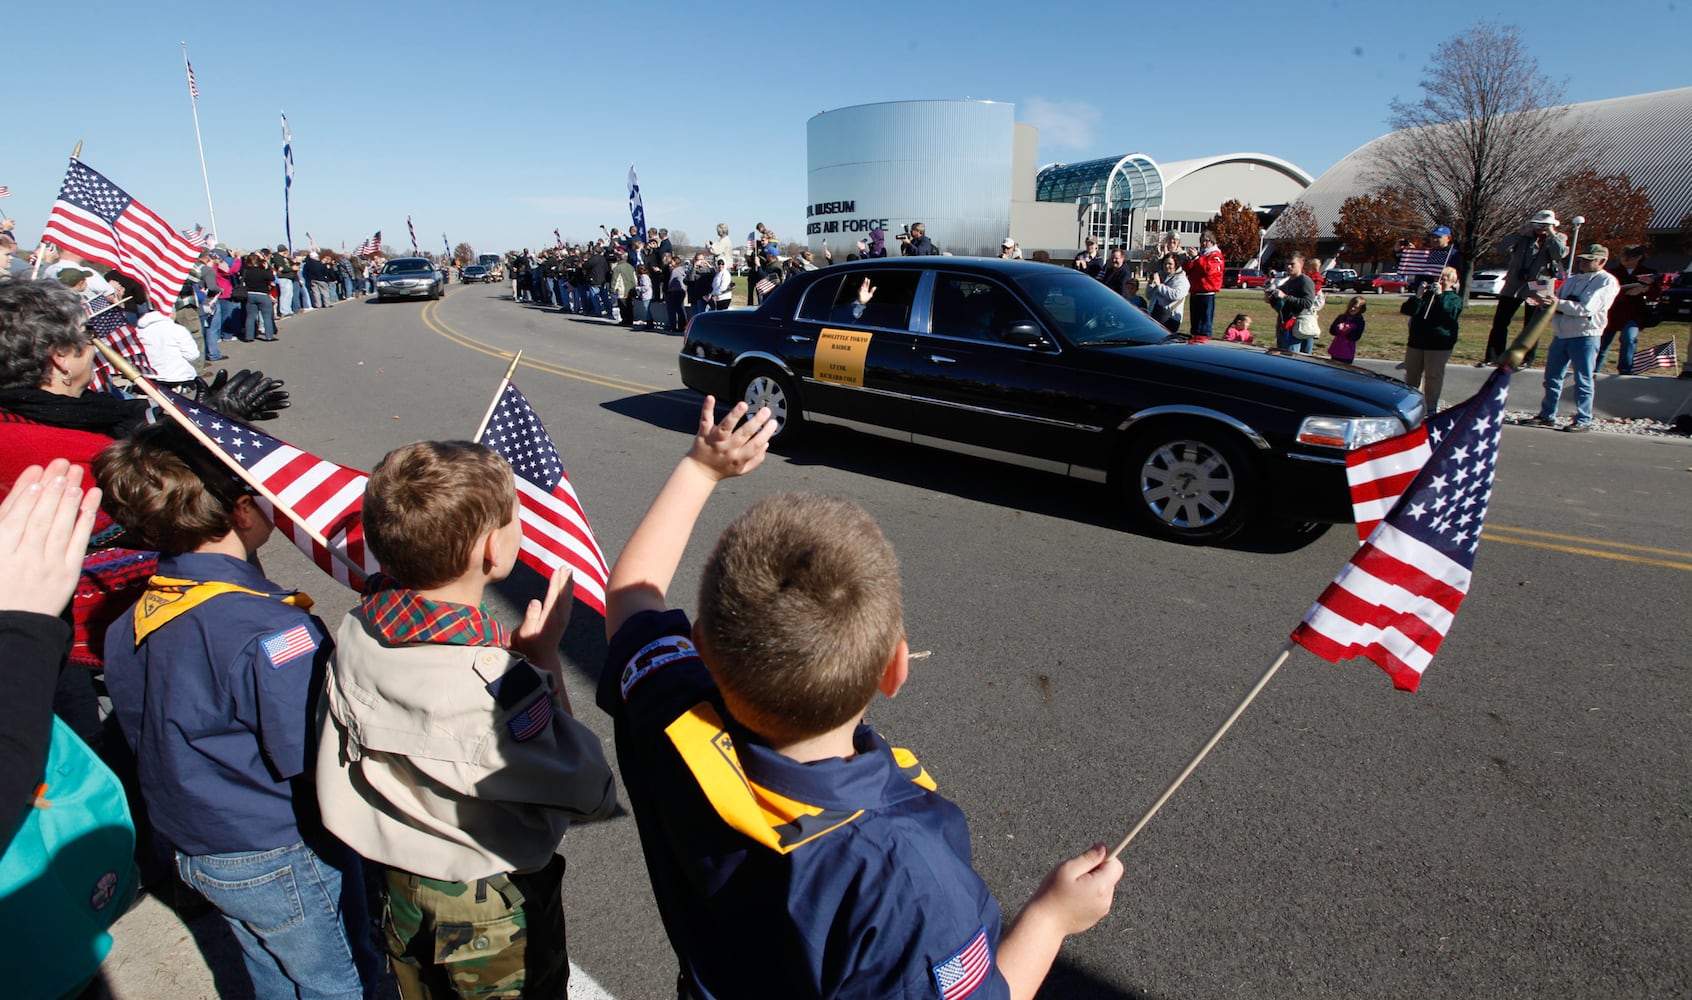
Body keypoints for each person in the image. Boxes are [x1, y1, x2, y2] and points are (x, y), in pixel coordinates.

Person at [597, 396, 1124, 999]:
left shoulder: (673, 710)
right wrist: (1051, 919)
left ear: (698, 648)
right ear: (895, 668)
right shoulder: (905, 876)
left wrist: (700, 468)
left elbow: (632, 601)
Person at [314, 440, 616, 999]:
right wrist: (544, 660)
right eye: (516, 518)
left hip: (397, 889)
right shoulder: (500, 687)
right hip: (489, 915)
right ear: (491, 549)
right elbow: (589, 790)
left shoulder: (357, 627)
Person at [94, 425, 378, 1000]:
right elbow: (311, 759)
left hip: (193, 842)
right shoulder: (271, 630)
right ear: (244, 510)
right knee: (337, 977)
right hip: (276, 845)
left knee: (271, 969)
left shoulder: (133, 617)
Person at [1529, 245, 1619, 432]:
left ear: (1602, 261)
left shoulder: (1606, 282)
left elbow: (1586, 309)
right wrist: (1544, 302)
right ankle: (1547, 415)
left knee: (1583, 378)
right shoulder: (1573, 279)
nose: (1583, 263)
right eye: (1582, 259)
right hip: (1561, 333)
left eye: (1589, 260)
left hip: (1586, 335)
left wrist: (1558, 303)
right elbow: (1557, 300)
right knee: (1552, 377)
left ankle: (1583, 418)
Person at [1485, 210, 1567, 366]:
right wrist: (1520, 232)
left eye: (1545, 224)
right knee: (1501, 322)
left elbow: (1560, 254)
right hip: (1515, 283)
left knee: (1531, 325)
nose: (1541, 227)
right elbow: (1501, 248)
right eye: (1538, 224)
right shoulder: (1523, 237)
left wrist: (1551, 233)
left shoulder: (1558, 238)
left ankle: (1526, 359)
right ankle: (1493, 356)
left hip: (1539, 284)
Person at [1399, 265, 1464, 412]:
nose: (1439, 281)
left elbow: (1448, 314)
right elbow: (1408, 310)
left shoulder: (1454, 299)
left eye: (1444, 279)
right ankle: (1411, 405)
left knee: (1433, 376)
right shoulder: (1427, 296)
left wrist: (1440, 295)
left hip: (1439, 344)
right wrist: (1418, 296)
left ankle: (1430, 407)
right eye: (1437, 278)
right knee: (1412, 375)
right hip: (1417, 341)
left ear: (1453, 282)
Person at [1596, 246, 1660, 374]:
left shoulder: (1648, 273)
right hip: (1612, 313)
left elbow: (1657, 292)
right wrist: (1627, 293)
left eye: (1629, 257)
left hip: (1633, 314)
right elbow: (1604, 292)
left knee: (1629, 338)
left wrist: (1646, 290)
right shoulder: (1612, 273)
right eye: (1623, 256)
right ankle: (1593, 370)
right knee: (1602, 343)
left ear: (1638, 257)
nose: (1625, 259)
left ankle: (1625, 370)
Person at [133, 305, 201, 391]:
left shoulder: (138, 331)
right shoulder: (177, 329)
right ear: (171, 313)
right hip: (177, 377)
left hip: (148, 377)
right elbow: (192, 355)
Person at [1267, 253, 1318, 353]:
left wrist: (1285, 296)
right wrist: (1271, 298)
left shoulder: (1305, 281)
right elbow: (1281, 306)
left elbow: (1307, 303)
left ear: (1301, 264)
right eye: (1287, 264)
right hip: (1285, 327)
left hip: (1298, 327)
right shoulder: (1288, 281)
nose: (1289, 267)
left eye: (1292, 264)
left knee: (1292, 359)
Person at [1180, 231, 1225, 339]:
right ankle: (1195, 339)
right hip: (1196, 291)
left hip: (1207, 293)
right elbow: (1190, 271)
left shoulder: (1215, 255)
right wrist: (1188, 260)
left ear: (1212, 242)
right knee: (1195, 324)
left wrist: (1196, 258)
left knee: (1204, 324)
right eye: (1201, 241)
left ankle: (1204, 341)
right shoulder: (1202, 256)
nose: (1203, 243)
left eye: (1206, 241)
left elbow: (1209, 270)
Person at [1146, 253, 1189, 334]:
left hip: (1171, 318)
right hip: (1155, 315)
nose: (1167, 266)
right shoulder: (1160, 276)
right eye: (1165, 264)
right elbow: (1148, 296)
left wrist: (1160, 286)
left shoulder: (1181, 279)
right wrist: (1151, 284)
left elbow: (1176, 295)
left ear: (1176, 264)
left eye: (1170, 264)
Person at [239, 252, 277, 342]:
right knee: (267, 316)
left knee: (250, 317)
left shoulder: (246, 272)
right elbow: (271, 277)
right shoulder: (262, 272)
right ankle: (269, 336)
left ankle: (249, 336)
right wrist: (267, 268)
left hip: (250, 294)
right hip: (262, 294)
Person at [1327, 296, 1367, 364]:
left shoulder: (1360, 321)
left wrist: (1348, 331)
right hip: (1336, 349)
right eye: (1351, 306)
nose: (1352, 309)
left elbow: (1356, 337)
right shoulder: (1341, 317)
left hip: (1347, 352)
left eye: (1356, 307)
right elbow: (1332, 331)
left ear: (1361, 309)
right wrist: (1337, 329)